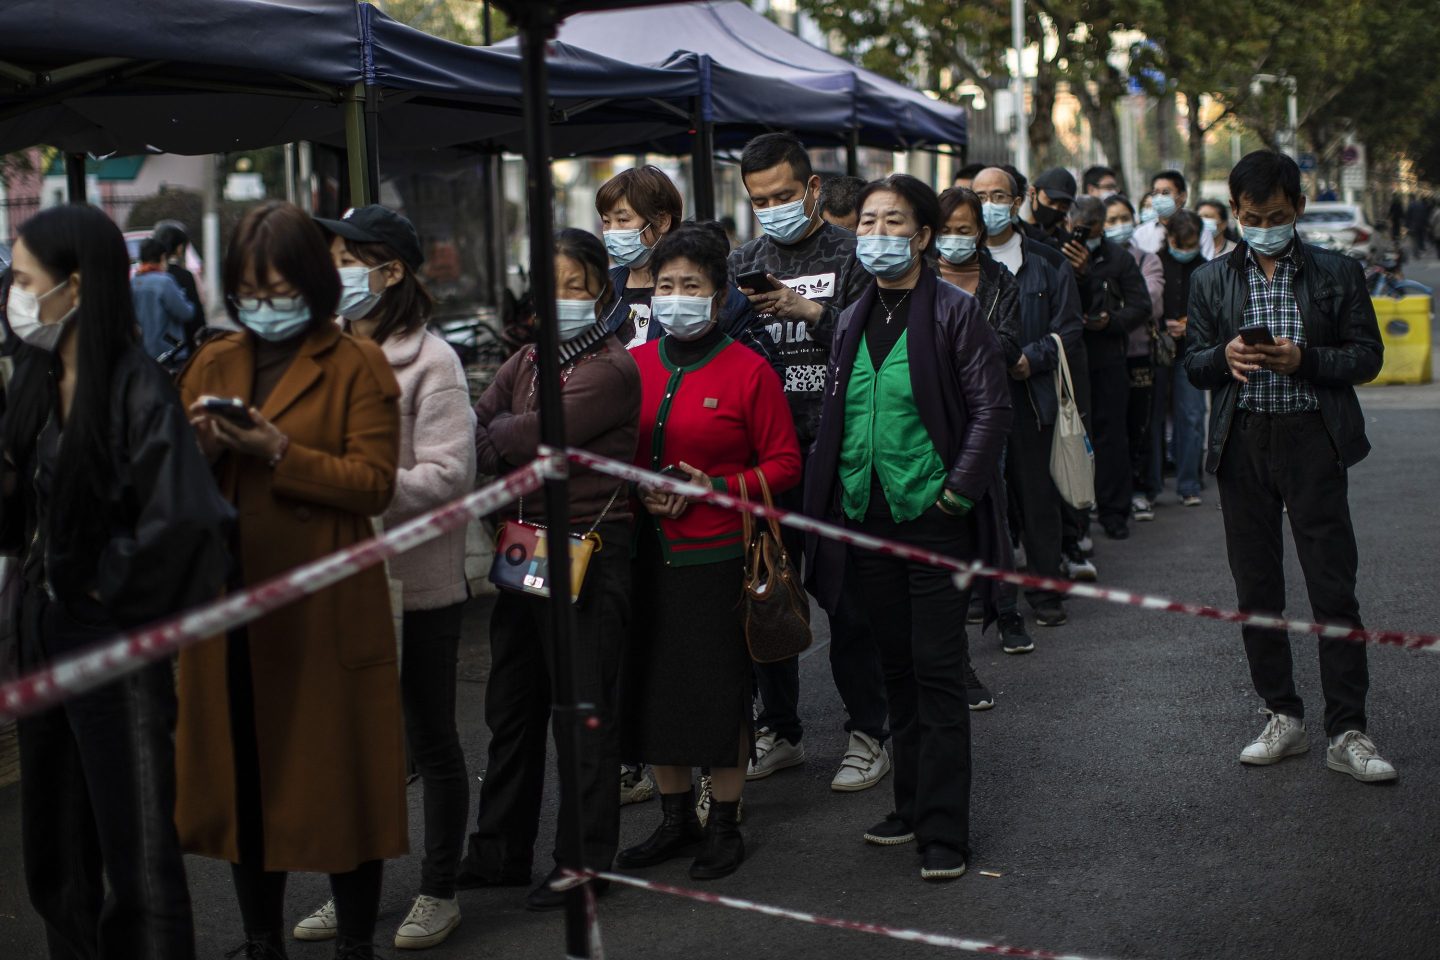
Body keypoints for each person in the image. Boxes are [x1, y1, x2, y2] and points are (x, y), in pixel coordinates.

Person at [175, 201, 405, 960]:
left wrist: (279, 451)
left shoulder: (357, 363)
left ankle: (354, 945)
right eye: (248, 291)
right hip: (232, 603)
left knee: (342, 778)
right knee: (244, 778)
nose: (263, 306)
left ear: (313, 284)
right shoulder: (212, 363)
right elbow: (171, 486)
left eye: (279, 290)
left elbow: (373, 484)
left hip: (324, 604)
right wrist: (202, 450)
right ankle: (261, 940)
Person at [0, 204, 230, 960]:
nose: (14, 293)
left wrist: (105, 584)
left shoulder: (137, 388)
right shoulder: (33, 378)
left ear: (75, 286)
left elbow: (188, 522)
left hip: (111, 640)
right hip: (39, 630)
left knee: (136, 852)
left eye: (26, 280)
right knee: (55, 847)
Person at [805, 174, 1011, 882]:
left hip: (935, 521)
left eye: (895, 223)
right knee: (896, 669)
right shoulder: (853, 312)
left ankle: (945, 831)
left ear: (923, 237)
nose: (878, 236)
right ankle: (911, 805)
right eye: (868, 222)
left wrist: (955, 497)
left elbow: (991, 410)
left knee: (938, 672)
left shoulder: (955, 312)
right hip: (868, 520)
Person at [286, 206, 476, 948]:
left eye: (347, 259)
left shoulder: (433, 362)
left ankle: (439, 888)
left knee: (430, 739)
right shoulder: (321, 349)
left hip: (417, 584)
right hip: (336, 583)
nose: (334, 274)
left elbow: (449, 474)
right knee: (350, 744)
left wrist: (353, 483)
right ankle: (354, 887)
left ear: (390, 270)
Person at [1183, 151, 1394, 783]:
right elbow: (1193, 364)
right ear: (1235, 214)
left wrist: (1304, 360)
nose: (1263, 226)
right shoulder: (1210, 279)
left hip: (1313, 441)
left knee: (1333, 587)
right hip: (1242, 442)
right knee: (1257, 589)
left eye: (1275, 215)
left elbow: (1367, 357)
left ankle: (1348, 729)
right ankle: (1282, 715)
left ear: (1297, 209)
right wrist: (1224, 358)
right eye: (1250, 217)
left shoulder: (1337, 272)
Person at [461, 228, 641, 908]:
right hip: (525, 543)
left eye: (576, 284)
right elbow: (476, 430)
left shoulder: (613, 367)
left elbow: (528, 434)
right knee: (511, 706)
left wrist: (509, 431)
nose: (562, 297)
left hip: (591, 549)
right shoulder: (527, 360)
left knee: (582, 713)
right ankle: (499, 851)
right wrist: (507, 433)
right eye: (551, 284)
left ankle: (586, 862)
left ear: (601, 288)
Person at [618, 222, 801, 880]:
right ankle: (674, 820)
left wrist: (715, 489)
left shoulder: (750, 371)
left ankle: (724, 822)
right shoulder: (632, 366)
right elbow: (612, 455)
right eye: (665, 286)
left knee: (720, 693)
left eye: (690, 286)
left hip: (719, 557)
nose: (675, 298)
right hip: (644, 553)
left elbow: (784, 464)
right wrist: (640, 490)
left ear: (720, 297)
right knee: (651, 689)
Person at [728, 133, 887, 792]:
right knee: (768, 599)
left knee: (849, 608)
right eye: (761, 199)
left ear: (813, 189)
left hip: (839, 460)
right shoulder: (744, 260)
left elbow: (879, 349)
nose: (774, 208)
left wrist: (810, 312)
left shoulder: (853, 256)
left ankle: (869, 732)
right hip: (769, 463)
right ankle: (782, 728)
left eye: (785, 195)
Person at [972, 166, 1084, 608]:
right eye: (979, 195)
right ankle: (986, 597)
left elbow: (1069, 329)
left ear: (1018, 200)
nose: (988, 205)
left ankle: (1046, 592)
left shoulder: (1048, 260)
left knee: (1038, 498)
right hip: (975, 400)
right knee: (981, 499)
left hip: (1031, 397)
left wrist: (1030, 358)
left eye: (998, 195)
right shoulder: (953, 261)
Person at [935, 186, 1032, 657]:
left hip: (984, 409)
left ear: (980, 232)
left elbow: (1011, 346)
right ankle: (963, 597)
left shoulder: (999, 281)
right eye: (946, 229)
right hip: (929, 412)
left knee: (992, 507)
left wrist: (957, 339)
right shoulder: (917, 277)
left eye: (964, 230)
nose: (955, 239)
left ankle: (1006, 609)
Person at [1064, 196, 1152, 540]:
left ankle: (1115, 512)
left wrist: (1110, 322)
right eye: (1079, 225)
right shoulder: (1057, 253)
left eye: (1093, 226)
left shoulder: (1118, 258)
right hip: (1068, 355)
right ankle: (1075, 517)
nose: (1085, 232)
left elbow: (1141, 305)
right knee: (1070, 437)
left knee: (1111, 436)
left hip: (1107, 356)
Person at [596, 165, 751, 350]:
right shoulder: (602, 290)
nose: (612, 231)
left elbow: (755, 366)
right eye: (606, 221)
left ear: (662, 221)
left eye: (623, 220)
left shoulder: (710, 291)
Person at [1104, 195, 1165, 522]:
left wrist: (1115, 309)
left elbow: (1151, 303)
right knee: (1108, 426)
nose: (1117, 225)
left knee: (1139, 424)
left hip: (1139, 354)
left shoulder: (1147, 260)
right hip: (1103, 357)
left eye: (1123, 218)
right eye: (1110, 220)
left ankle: (1140, 490)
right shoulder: (1093, 259)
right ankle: (1111, 492)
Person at [1150, 210, 1207, 508]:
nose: (1185, 250)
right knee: (1153, 417)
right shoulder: (1153, 262)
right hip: (1157, 350)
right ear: (1169, 237)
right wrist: (1162, 327)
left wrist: (1190, 326)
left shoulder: (1207, 267)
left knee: (1192, 417)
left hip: (1192, 353)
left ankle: (1189, 484)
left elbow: (1216, 313)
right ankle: (1152, 484)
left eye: (1191, 243)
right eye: (1180, 243)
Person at [131, 236, 196, 363]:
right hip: (169, 352)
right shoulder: (165, 282)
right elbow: (185, 313)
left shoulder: (134, 282)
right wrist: (189, 303)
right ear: (162, 258)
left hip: (144, 354)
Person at [1135, 170, 1215, 259]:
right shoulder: (1141, 233)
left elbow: (1207, 266)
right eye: (1155, 193)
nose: (1159, 198)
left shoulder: (1199, 230)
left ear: (1182, 196)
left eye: (1166, 192)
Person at [155, 222, 204, 347]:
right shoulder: (184, 276)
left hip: (154, 348)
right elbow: (196, 316)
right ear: (179, 248)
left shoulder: (147, 278)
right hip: (181, 347)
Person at [1023, 167, 1077, 249]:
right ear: (1032, 194)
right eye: (1051, 202)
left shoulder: (1068, 246)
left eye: (1063, 207)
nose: (1055, 209)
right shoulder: (1016, 236)